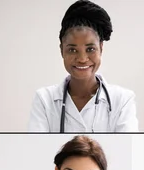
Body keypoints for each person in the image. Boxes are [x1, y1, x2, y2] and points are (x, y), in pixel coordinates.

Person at [28, 0, 138, 132]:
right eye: (72, 50)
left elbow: (126, 149)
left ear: (101, 48)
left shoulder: (122, 100)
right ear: (61, 50)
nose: (82, 59)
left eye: (90, 49)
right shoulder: (44, 99)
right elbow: (37, 149)